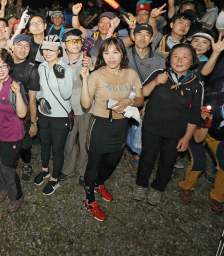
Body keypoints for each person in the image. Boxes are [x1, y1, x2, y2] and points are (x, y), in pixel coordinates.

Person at [79, 37, 144, 221]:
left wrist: (128, 101)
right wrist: (84, 79)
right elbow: (85, 103)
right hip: (99, 125)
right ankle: (89, 199)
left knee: (112, 162)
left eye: (115, 51)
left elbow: (139, 99)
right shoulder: (97, 75)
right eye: (106, 52)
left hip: (121, 125)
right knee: (94, 164)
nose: (111, 56)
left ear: (122, 53)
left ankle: (99, 184)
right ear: (101, 55)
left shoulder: (130, 74)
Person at [134, 44, 202, 206]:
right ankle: (141, 184)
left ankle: (158, 188)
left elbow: (194, 115)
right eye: (175, 56)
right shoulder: (159, 74)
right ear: (168, 59)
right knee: (147, 156)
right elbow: (142, 94)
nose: (179, 60)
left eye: (185, 56)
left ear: (192, 61)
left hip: (176, 131)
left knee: (168, 161)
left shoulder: (196, 85)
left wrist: (187, 137)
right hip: (152, 126)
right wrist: (156, 82)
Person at [178, 78, 224, 214]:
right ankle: (187, 187)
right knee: (199, 162)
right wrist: (207, 121)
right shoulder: (210, 106)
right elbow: (198, 139)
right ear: (223, 98)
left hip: (220, 137)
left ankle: (217, 197)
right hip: (198, 131)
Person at [0, 34, 41, 181]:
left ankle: (27, 164)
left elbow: (32, 99)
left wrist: (33, 122)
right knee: (0, 141)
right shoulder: (2, 62)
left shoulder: (31, 69)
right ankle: (4, 164)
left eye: (26, 46)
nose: (23, 48)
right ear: (12, 47)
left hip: (22, 113)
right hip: (2, 111)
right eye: (19, 45)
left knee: (25, 145)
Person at [0, 49, 29, 212]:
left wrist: (17, 94)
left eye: (3, 66)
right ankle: (4, 187)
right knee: (2, 163)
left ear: (9, 67)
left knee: (8, 168)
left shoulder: (16, 86)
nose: (0, 70)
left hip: (12, 135)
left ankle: (17, 196)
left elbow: (22, 114)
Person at [34, 36, 73, 196]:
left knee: (57, 149)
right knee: (45, 144)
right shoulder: (41, 66)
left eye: (52, 49)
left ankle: (55, 179)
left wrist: (61, 77)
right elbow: (40, 89)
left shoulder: (66, 68)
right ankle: (45, 171)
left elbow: (66, 94)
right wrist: (39, 99)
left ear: (59, 51)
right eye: (45, 48)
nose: (48, 52)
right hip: (44, 114)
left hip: (60, 116)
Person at [125, 23, 168, 165]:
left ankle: (140, 154)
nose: (142, 38)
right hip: (125, 98)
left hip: (146, 100)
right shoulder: (124, 54)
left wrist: (147, 105)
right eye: (139, 34)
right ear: (133, 36)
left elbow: (160, 85)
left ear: (151, 39)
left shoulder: (159, 60)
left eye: (147, 34)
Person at [60, 29, 95, 187]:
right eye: (71, 41)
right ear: (64, 44)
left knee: (85, 141)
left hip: (86, 108)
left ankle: (83, 171)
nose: (75, 44)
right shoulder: (59, 61)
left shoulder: (90, 60)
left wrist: (93, 68)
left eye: (78, 40)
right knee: (68, 141)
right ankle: (67, 169)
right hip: (66, 108)